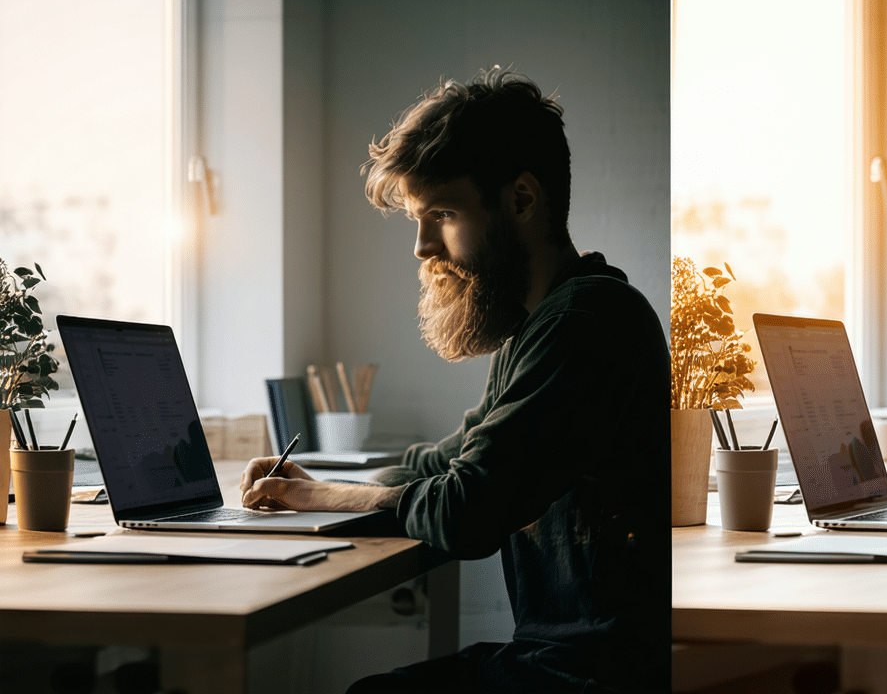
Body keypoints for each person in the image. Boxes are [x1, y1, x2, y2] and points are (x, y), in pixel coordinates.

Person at [239, 67, 670, 693]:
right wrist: (321, 483)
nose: (420, 245)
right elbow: (448, 460)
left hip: (591, 674)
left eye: (441, 212)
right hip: (571, 661)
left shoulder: (585, 323)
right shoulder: (543, 323)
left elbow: (467, 509)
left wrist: (324, 500)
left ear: (522, 200)